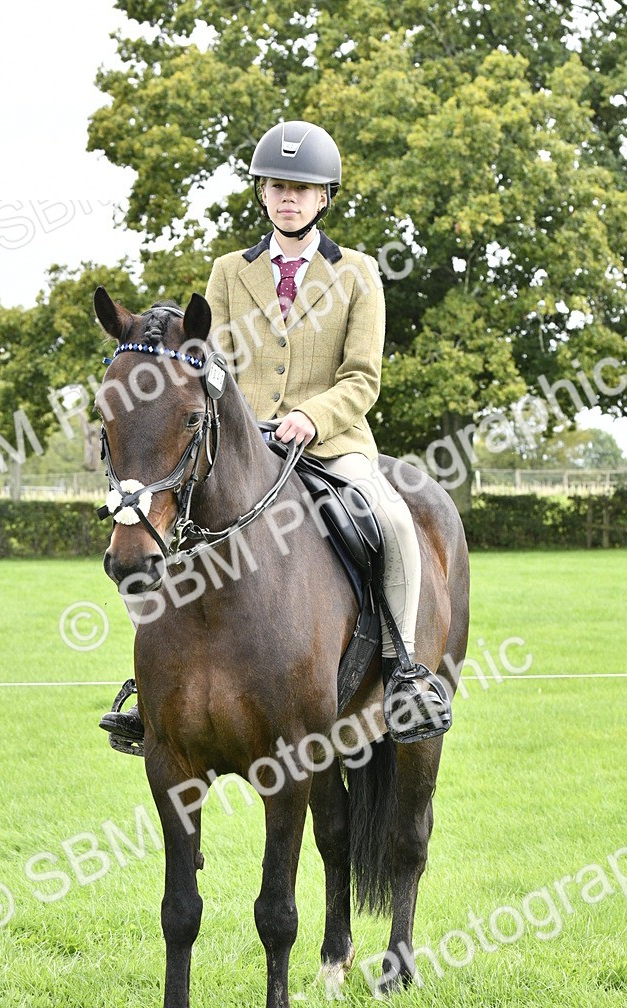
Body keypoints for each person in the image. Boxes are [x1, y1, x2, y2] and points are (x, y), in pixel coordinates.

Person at [100, 119, 452, 754]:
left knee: (396, 522)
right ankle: (153, 688)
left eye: (302, 188)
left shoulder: (358, 274)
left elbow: (363, 377)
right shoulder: (229, 272)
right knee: (152, 527)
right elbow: (206, 365)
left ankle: (405, 671)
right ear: (262, 193)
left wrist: (312, 417)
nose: (288, 198)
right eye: (277, 187)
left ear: (323, 197)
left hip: (332, 444)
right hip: (243, 449)